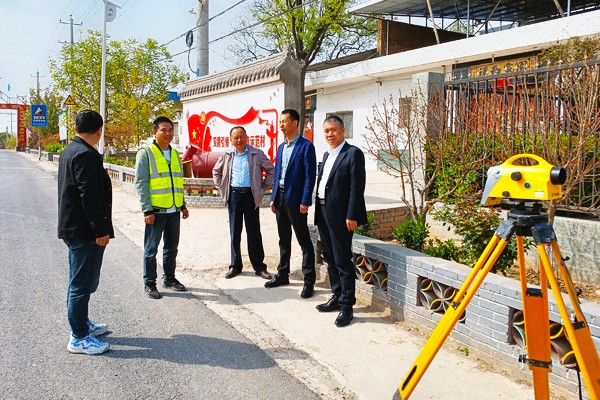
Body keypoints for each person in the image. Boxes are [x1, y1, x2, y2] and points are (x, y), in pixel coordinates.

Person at [58, 110, 114, 355]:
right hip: (84, 230)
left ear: (76, 128)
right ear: (99, 131)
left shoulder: (71, 150)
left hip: (76, 227)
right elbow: (88, 196)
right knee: (81, 284)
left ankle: (82, 323)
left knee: (80, 281)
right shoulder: (84, 155)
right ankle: (79, 336)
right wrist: (100, 230)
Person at [314, 115, 367, 327]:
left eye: (333, 130)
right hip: (323, 211)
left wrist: (352, 214)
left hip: (342, 216)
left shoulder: (353, 153)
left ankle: (347, 306)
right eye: (326, 131)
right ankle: (337, 296)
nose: (330, 134)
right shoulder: (327, 154)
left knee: (342, 259)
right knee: (329, 256)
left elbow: (357, 187)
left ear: (343, 130)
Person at [265, 109, 317, 299]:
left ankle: (309, 281)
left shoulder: (306, 147)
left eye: (284, 121)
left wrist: (305, 200)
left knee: (304, 242)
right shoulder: (281, 147)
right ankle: (283, 274)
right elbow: (277, 173)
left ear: (295, 123)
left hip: (296, 201)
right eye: (280, 122)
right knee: (283, 239)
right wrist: (273, 197)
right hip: (280, 198)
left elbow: (310, 176)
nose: (281, 125)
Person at [135, 116, 189, 299]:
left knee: (172, 248)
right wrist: (147, 210)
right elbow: (141, 183)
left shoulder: (175, 154)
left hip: (174, 210)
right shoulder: (146, 153)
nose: (167, 133)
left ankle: (169, 278)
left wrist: (182, 205)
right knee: (151, 249)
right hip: (156, 211)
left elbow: (178, 182)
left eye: (170, 130)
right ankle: (149, 282)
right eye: (163, 130)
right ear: (154, 132)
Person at [212, 126, 275, 280]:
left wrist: (263, 187)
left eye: (242, 137)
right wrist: (222, 186)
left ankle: (259, 267)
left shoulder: (256, 153)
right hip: (234, 196)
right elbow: (216, 171)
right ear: (231, 139)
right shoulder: (226, 154)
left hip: (250, 196)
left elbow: (271, 170)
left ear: (247, 138)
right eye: (236, 138)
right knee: (235, 232)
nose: (239, 140)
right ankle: (235, 265)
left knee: (254, 232)